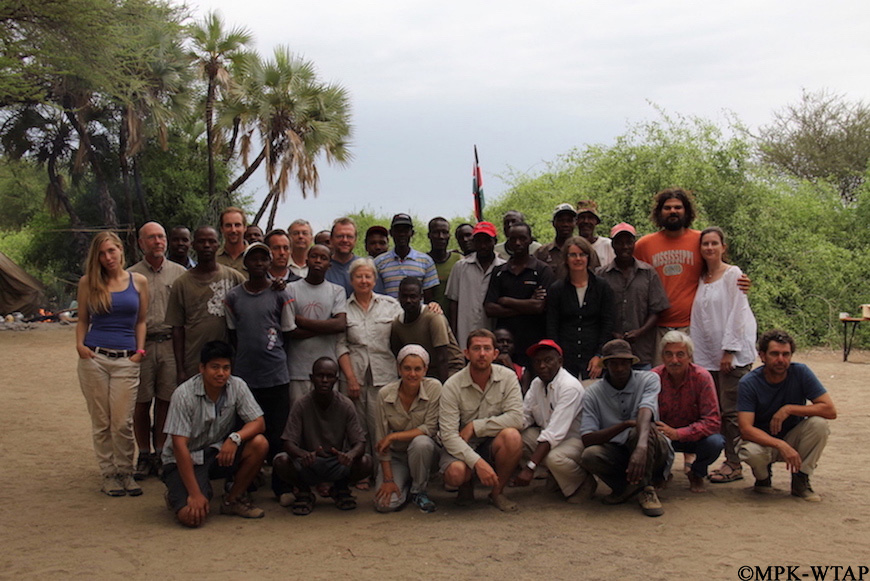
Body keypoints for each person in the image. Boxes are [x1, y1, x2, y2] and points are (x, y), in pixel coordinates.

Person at [634, 188, 749, 365]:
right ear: (659, 212)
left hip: (694, 326)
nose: (673, 211)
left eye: (678, 207)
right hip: (657, 327)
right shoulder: (644, 245)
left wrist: (739, 280)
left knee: (694, 376)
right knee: (662, 377)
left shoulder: (700, 240)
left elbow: (718, 269)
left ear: (686, 211)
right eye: (667, 208)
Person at [161, 341, 269, 526]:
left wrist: (235, 438)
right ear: (202, 368)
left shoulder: (237, 385)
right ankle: (179, 494)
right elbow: (179, 446)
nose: (221, 373)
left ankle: (232, 500)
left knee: (259, 443)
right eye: (215, 367)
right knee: (191, 517)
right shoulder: (183, 395)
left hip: (216, 452)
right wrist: (195, 494)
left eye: (226, 368)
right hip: (184, 459)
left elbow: (259, 422)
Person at [76, 231, 149, 497]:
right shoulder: (88, 282)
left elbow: (141, 320)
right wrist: (80, 346)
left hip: (126, 359)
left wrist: (139, 350)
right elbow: (83, 319)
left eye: (111, 251)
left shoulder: (138, 281)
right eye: (102, 254)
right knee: (101, 420)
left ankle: (126, 471)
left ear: (121, 250)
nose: (108, 257)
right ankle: (109, 474)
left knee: (122, 422)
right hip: (95, 357)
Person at [223, 242, 296, 500]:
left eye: (263, 259)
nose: (258, 263)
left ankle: (281, 486)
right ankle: (246, 482)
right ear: (245, 263)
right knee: (245, 431)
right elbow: (233, 334)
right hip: (245, 378)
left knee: (277, 433)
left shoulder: (280, 294)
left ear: (269, 263)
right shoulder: (233, 297)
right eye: (253, 258)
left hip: (276, 375)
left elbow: (287, 332)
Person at [691, 226, 758, 484]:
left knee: (732, 411)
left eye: (714, 243)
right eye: (705, 244)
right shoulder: (702, 278)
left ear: (723, 247)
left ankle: (735, 462)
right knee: (715, 410)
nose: (709, 248)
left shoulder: (733, 275)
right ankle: (727, 460)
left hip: (732, 356)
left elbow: (738, 312)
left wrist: (730, 350)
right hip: (708, 355)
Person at [737, 330, 837, 501]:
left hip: (793, 436)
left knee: (819, 424)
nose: (781, 359)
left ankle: (801, 479)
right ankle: (763, 478)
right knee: (750, 451)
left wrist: (789, 409)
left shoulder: (801, 372)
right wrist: (781, 445)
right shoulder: (749, 383)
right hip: (763, 441)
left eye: (786, 354)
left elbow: (830, 410)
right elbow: (746, 429)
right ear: (762, 356)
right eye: (774, 354)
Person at [579, 339, 673, 517]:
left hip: (651, 447)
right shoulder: (592, 392)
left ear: (631, 363)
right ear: (606, 365)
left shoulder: (649, 379)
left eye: (624, 363)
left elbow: (646, 409)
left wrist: (641, 447)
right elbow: (587, 438)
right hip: (618, 451)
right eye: (614, 364)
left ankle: (646, 489)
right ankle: (627, 487)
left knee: (642, 430)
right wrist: (625, 424)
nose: (620, 368)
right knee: (589, 456)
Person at [273, 357, 372, 515]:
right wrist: (302, 454)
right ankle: (304, 491)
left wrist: (350, 455)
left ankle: (340, 488)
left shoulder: (345, 405)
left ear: (336, 380)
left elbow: (360, 442)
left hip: (336, 462)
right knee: (280, 461)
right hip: (309, 462)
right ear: (312, 378)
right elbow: (288, 442)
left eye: (329, 376)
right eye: (320, 376)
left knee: (366, 461)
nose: (324, 380)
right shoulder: (301, 404)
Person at [439, 329, 524, 511]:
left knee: (513, 436)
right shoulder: (452, 385)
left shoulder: (508, 377)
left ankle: (497, 492)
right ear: (466, 353)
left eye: (487, 349)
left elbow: (517, 418)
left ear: (495, 354)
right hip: (461, 444)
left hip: (490, 442)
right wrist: (478, 463)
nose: (482, 354)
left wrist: (476, 426)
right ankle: (465, 485)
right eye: (476, 348)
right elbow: (448, 436)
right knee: (455, 474)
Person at [128, 222, 186, 480]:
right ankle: (143, 453)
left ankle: (161, 452)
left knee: (165, 400)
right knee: (141, 402)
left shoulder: (179, 273)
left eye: (161, 236)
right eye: (151, 237)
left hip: (170, 344)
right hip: (141, 345)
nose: (157, 241)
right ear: (141, 243)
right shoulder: (129, 275)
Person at [515, 340, 594, 503]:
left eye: (548, 360)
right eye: (537, 361)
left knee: (555, 458)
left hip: (574, 440)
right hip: (550, 437)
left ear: (560, 361)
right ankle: (556, 477)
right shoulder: (536, 384)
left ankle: (584, 483)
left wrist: (530, 467)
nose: (542, 366)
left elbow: (554, 434)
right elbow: (525, 416)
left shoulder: (569, 387)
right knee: (516, 439)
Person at [165, 226, 246, 384]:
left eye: (211, 241)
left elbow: (253, 295)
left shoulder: (234, 277)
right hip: (194, 360)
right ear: (193, 245)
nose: (207, 245)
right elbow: (177, 329)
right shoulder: (181, 283)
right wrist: (180, 369)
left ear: (218, 244)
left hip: (228, 359)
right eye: (201, 242)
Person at [652, 331, 724, 492]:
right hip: (663, 437)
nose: (674, 360)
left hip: (695, 437)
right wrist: (662, 431)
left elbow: (712, 421)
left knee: (715, 442)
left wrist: (679, 433)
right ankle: (660, 474)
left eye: (680, 354)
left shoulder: (702, 377)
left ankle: (697, 472)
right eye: (668, 354)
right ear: (662, 357)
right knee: (646, 438)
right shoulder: (653, 378)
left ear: (690, 357)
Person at [373, 345, 442, 513]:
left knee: (421, 443)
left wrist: (393, 437)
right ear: (399, 369)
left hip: (425, 454)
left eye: (417, 369)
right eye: (407, 368)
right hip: (398, 456)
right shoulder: (384, 394)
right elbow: (381, 441)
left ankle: (419, 490)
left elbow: (429, 428)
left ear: (425, 370)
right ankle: (406, 485)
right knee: (385, 504)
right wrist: (388, 480)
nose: (412, 374)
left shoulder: (434, 388)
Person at [597, 222, 669, 369]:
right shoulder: (601, 275)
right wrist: (613, 333)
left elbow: (656, 310)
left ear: (634, 244)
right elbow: (596, 310)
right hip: (611, 352)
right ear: (613, 245)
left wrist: (640, 332)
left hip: (642, 350)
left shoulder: (648, 273)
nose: (625, 247)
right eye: (620, 242)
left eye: (628, 242)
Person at [484, 222, 554, 366]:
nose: (517, 243)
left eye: (522, 238)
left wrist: (506, 301)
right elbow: (489, 309)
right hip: (505, 343)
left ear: (530, 240)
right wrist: (527, 304)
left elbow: (539, 307)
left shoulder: (542, 270)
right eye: (513, 239)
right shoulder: (499, 271)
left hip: (534, 340)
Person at [286, 244, 347, 404]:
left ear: (329, 264)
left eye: (323, 258)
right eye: (314, 256)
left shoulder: (337, 291)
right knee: (298, 414)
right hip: (298, 370)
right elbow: (290, 331)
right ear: (307, 260)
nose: (318, 261)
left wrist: (302, 321)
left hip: (328, 371)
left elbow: (340, 325)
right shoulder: (290, 289)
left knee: (328, 415)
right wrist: (327, 327)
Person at [546, 235, 614, 379]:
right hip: (565, 359)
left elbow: (608, 323)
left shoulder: (602, 287)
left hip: (594, 358)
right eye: (573, 255)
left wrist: (599, 356)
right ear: (566, 259)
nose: (578, 259)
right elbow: (551, 326)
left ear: (588, 257)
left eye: (582, 254)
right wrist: (557, 357)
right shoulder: (556, 289)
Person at [391, 276, 465, 383]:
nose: (408, 301)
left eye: (413, 297)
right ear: (398, 297)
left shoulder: (433, 318)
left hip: (449, 367)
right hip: (423, 370)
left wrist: (443, 388)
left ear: (421, 297)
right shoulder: (397, 325)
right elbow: (399, 356)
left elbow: (442, 358)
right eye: (404, 296)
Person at [445, 221, 505, 348]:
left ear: (495, 241)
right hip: (465, 333)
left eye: (487, 241)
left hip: (494, 334)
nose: (483, 246)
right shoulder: (460, 267)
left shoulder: (504, 268)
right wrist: (453, 335)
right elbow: (453, 303)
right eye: (478, 241)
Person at [374, 213, 439, 301]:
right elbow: (376, 294)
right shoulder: (378, 262)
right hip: (388, 309)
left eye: (405, 231)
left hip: (417, 310)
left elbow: (428, 297)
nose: (402, 234)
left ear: (412, 233)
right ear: (391, 233)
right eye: (398, 231)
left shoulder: (426, 261)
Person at [325, 217, 383, 296]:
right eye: (340, 236)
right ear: (331, 239)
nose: (345, 240)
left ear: (355, 240)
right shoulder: (323, 268)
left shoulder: (367, 267)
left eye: (349, 236)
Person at [534, 203, 578, 280]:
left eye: (569, 221)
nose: (565, 224)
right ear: (553, 223)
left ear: (575, 223)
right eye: (561, 220)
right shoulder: (542, 252)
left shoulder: (584, 251)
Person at [427, 216, 462, 311]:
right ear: (429, 235)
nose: (441, 236)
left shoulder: (459, 260)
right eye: (436, 232)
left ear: (449, 235)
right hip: (430, 316)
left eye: (445, 232)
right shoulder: (422, 261)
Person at [576, 200, 615, 267]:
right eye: (582, 217)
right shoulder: (571, 246)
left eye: (590, 218)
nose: (586, 221)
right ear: (576, 221)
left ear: (596, 221)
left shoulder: (607, 245)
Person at [215, 206, 247, 274]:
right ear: (222, 229)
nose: (233, 230)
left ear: (244, 228)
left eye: (237, 225)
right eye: (228, 225)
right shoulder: (214, 258)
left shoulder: (255, 257)